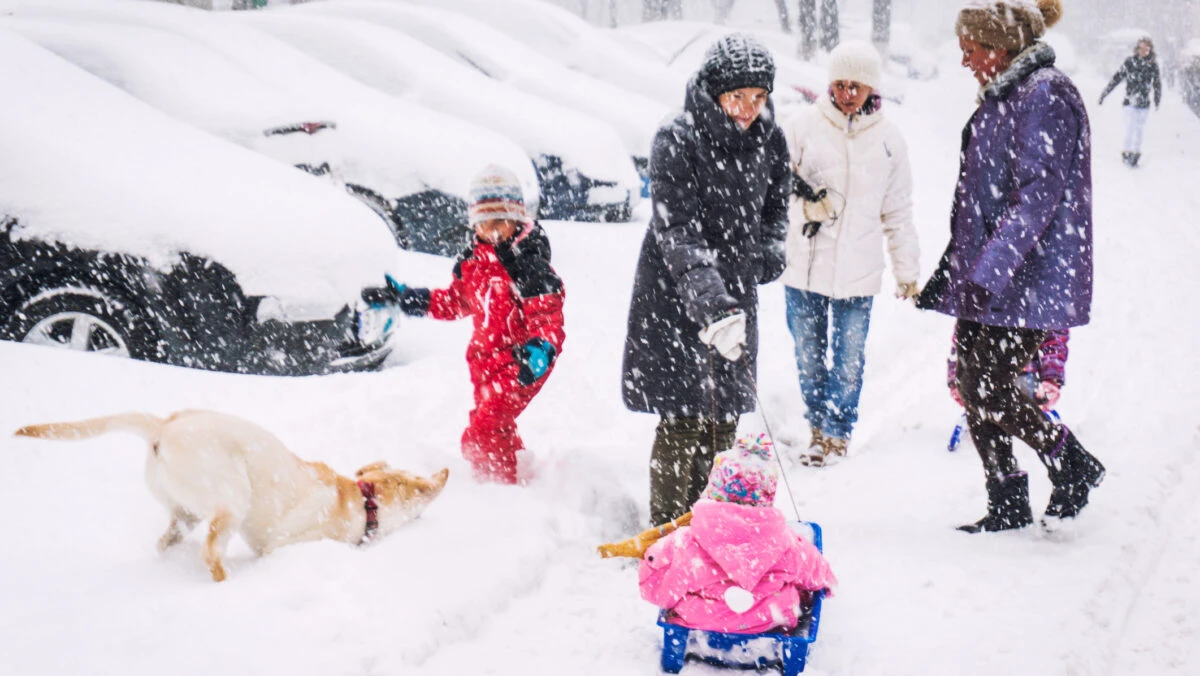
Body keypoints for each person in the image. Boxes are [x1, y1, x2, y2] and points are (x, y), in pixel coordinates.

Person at [917, 0, 1104, 533]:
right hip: (993, 275)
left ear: (999, 47)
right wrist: (955, 270)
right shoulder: (1002, 97)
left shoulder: (1044, 94)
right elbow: (978, 201)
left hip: (1029, 278)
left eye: (970, 50)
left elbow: (1035, 200)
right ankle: (1006, 498)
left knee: (990, 385)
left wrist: (986, 273)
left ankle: (1071, 462)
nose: (964, 61)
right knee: (973, 385)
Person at [621, 33, 791, 527]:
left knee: (724, 420)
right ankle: (669, 534)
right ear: (713, 91)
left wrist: (769, 251)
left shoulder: (769, 136)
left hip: (734, 289)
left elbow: (777, 204)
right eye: (737, 96)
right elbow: (678, 231)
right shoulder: (678, 137)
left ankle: (709, 528)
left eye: (758, 98)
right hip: (676, 293)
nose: (748, 109)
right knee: (683, 417)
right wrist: (710, 304)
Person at [364, 165, 565, 485]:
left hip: (521, 360)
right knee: (498, 427)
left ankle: (496, 493)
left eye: (500, 221)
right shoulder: (473, 260)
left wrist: (542, 347)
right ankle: (521, 480)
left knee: (481, 433)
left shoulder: (527, 262)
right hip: (485, 364)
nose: (493, 231)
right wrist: (410, 299)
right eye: (484, 223)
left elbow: (547, 315)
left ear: (516, 217)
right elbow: (455, 302)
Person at [781, 39, 920, 467]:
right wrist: (805, 205)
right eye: (839, 84)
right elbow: (773, 187)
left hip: (858, 272)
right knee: (808, 357)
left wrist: (907, 272)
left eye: (854, 86)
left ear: (871, 88)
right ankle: (817, 428)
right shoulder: (802, 126)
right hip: (804, 267)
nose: (846, 94)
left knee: (848, 360)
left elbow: (897, 210)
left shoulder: (889, 141)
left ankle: (838, 433)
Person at [639, 436, 837, 634]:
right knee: (791, 590)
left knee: (680, 590)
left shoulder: (686, 541)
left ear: (714, 490)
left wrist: (650, 561)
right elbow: (818, 572)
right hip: (768, 619)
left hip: (702, 619)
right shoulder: (786, 542)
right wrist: (819, 587)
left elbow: (656, 590)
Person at [949, 329, 1069, 410]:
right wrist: (957, 379)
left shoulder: (1041, 301)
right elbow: (962, 343)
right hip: (985, 372)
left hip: (1027, 376)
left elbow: (1054, 343)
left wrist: (1051, 378)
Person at [1099, 36, 1162, 167]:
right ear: (1137, 49)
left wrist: (1157, 99)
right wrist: (1104, 94)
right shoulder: (1130, 62)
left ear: (1150, 50)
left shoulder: (1152, 65)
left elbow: (1157, 84)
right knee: (1130, 127)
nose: (1144, 51)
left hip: (1144, 103)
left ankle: (1136, 153)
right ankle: (1127, 152)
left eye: (1146, 48)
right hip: (1130, 102)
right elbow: (1116, 79)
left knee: (1139, 129)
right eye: (1141, 48)